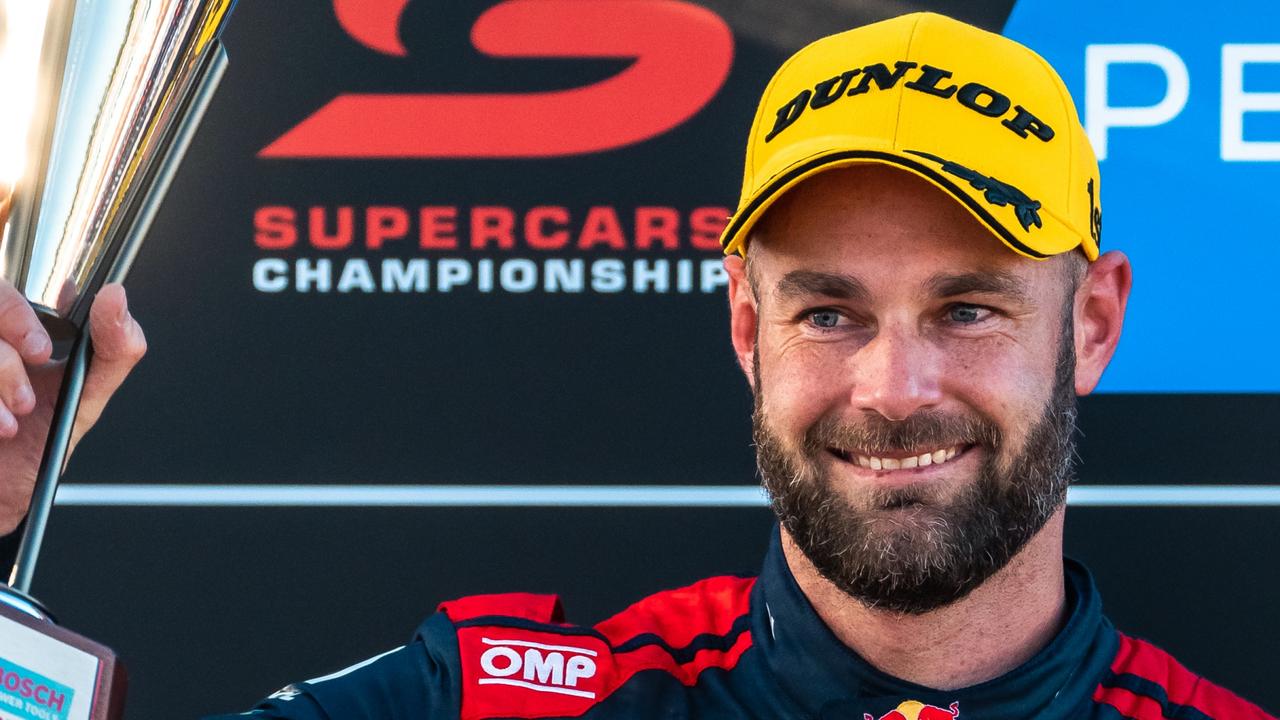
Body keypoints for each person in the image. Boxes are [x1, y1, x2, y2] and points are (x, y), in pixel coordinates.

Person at [5, 12, 1267, 720]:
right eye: (827, 314)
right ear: (742, 326)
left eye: (969, 308)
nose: (893, 390)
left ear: (1091, 323)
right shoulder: (488, 705)